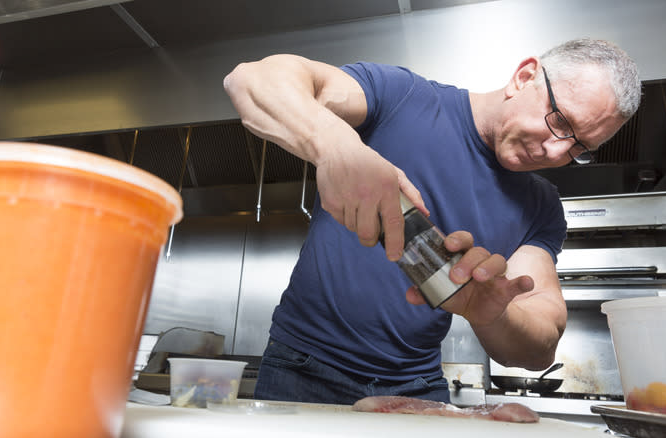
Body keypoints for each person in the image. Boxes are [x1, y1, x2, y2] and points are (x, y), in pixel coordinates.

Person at [223, 38, 641, 404]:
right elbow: (251, 80)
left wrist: (490, 313)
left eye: (579, 148)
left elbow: (541, 345)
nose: (555, 152)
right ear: (525, 76)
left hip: (417, 387)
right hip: (303, 369)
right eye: (561, 122)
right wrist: (336, 146)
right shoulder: (404, 97)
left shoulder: (541, 205)